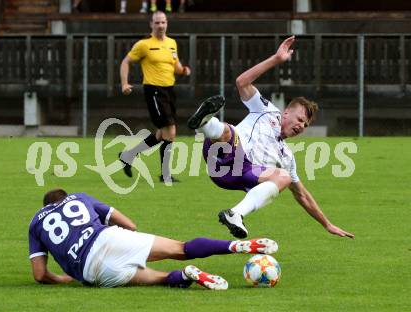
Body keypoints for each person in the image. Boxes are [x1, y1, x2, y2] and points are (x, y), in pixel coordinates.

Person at [187, 36, 355, 240]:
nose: (301, 126)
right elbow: (242, 82)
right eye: (300, 119)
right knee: (229, 132)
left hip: (236, 175)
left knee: (284, 176)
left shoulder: (287, 157)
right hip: (221, 154)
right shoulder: (267, 110)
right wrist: (276, 59)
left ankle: (236, 214)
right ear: (286, 113)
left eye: (305, 125)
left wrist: (327, 224)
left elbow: (301, 195)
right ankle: (204, 123)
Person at [29, 189, 278, 289]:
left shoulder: (35, 223)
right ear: (63, 198)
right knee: (181, 248)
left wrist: (62, 278)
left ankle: (185, 275)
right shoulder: (78, 197)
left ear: (46, 205)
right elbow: (130, 225)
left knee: (157, 278)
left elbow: (39, 274)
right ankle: (236, 246)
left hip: (90, 272)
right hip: (108, 237)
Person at [119, 11, 191, 184]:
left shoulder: (172, 43)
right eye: (157, 23)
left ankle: (128, 155)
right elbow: (125, 62)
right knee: (170, 131)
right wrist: (124, 83)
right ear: (151, 24)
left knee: (161, 134)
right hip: (154, 91)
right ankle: (165, 175)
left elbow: (176, 66)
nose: (161, 26)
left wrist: (184, 70)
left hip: (169, 91)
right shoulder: (144, 45)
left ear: (167, 24)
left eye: (163, 22)